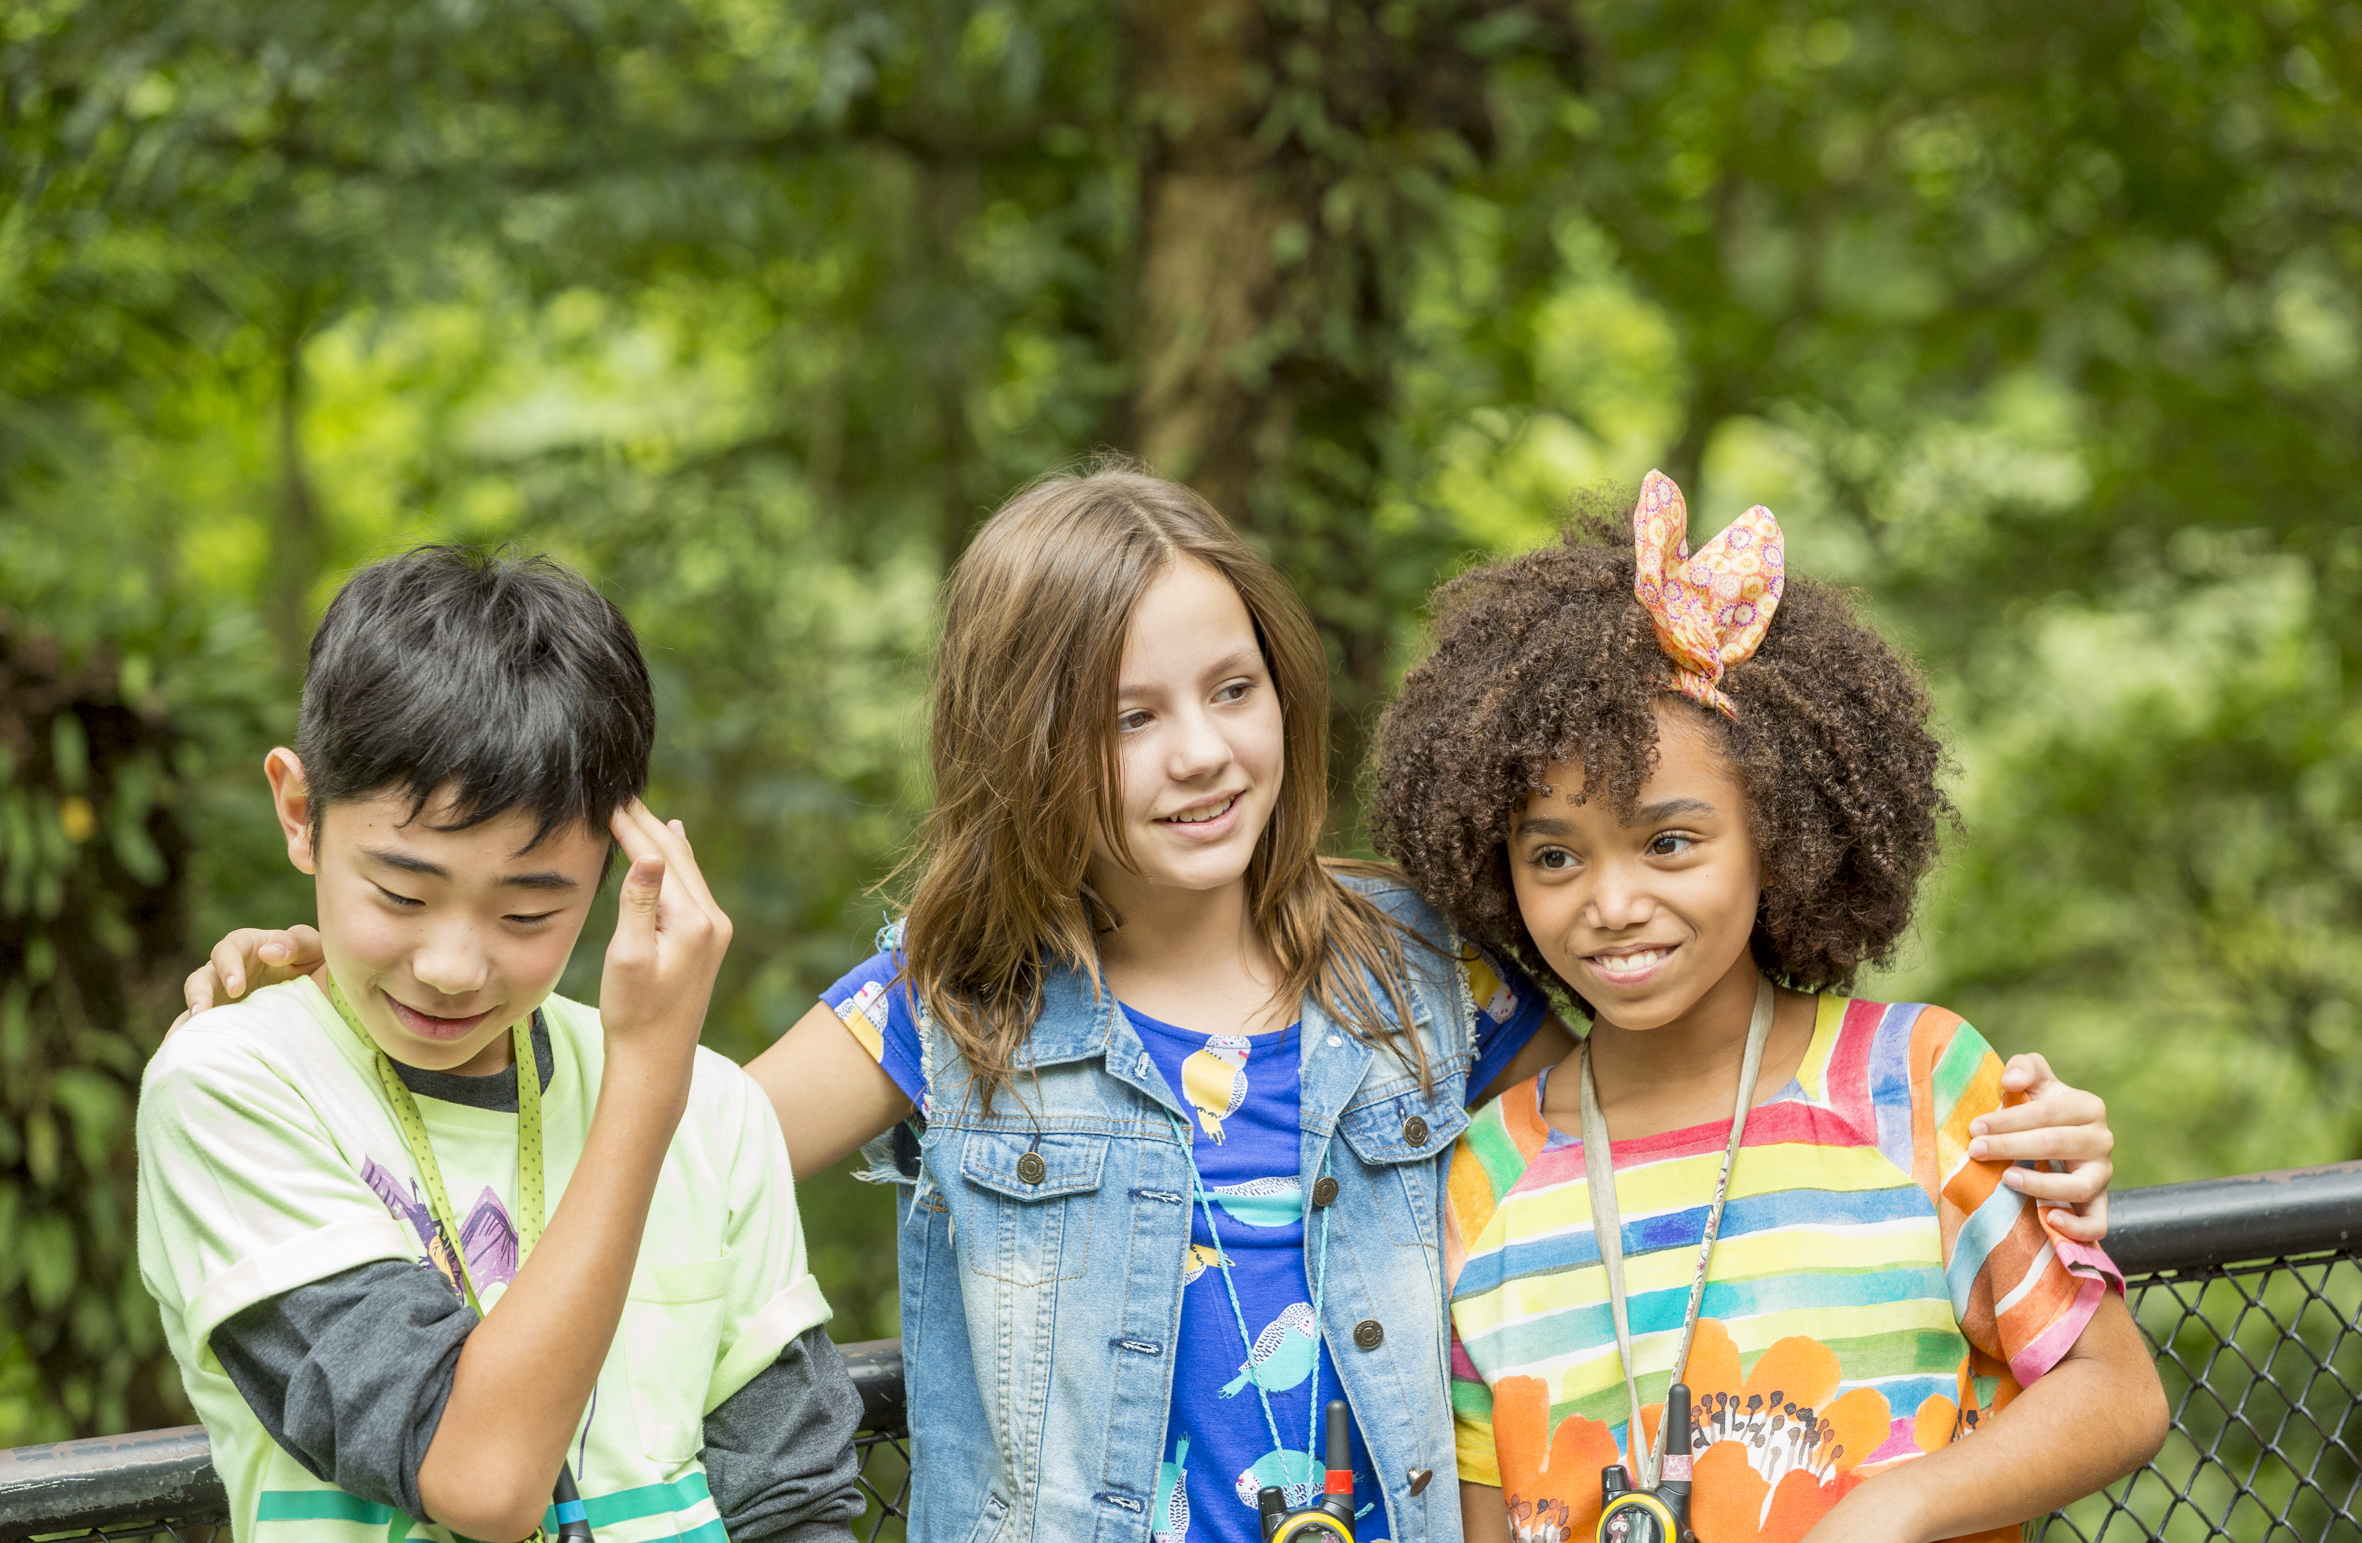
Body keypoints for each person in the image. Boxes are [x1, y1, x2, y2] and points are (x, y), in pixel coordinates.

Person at [177, 464, 2122, 1543]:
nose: (1198, 752)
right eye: (1125, 712)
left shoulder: (1426, 970)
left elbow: (1689, 1030)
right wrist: (342, 998)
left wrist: (2009, 1124)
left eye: (1232, 689)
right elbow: (673, 1153)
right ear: (1035, 745)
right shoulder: (951, 1005)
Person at [1369, 476, 2168, 1543]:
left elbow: (2115, 1393)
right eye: (1553, 855)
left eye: (1669, 842)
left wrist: (1887, 1512)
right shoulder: (1480, 1180)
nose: (1612, 904)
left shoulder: (1914, 1083)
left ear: (1780, 836)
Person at [137, 547, 865, 1543]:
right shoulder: (233, 1088)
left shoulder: (716, 1105)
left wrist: (666, 1078)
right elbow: (479, 1479)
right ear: (300, 813)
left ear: (621, 867)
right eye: (401, 894)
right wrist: (645, 1083)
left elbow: (794, 1499)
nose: (451, 965)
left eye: (527, 912)